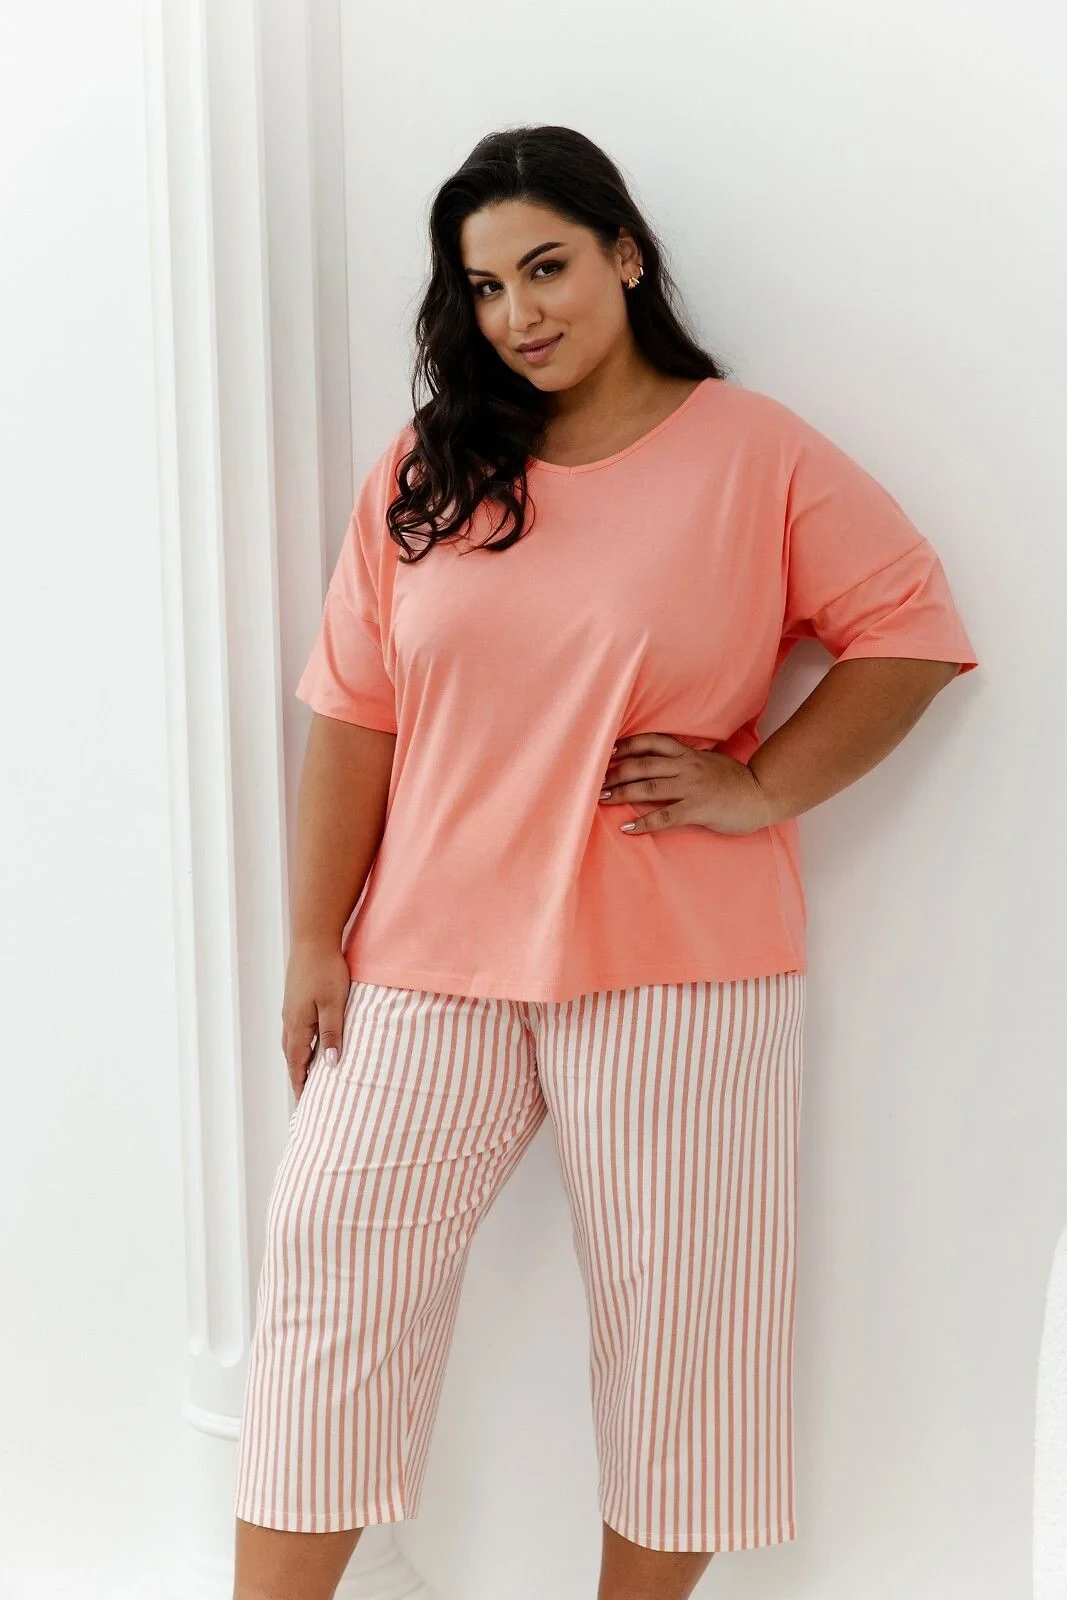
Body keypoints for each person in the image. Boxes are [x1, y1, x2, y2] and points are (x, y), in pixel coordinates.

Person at [231, 124, 979, 1600]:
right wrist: (314, 935)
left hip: (677, 963)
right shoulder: (431, 469)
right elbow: (355, 713)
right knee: (331, 1268)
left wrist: (761, 785)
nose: (519, 313)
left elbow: (911, 630)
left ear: (625, 255)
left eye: (547, 267)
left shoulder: (752, 453)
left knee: (682, 1331)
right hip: (427, 955)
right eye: (485, 286)